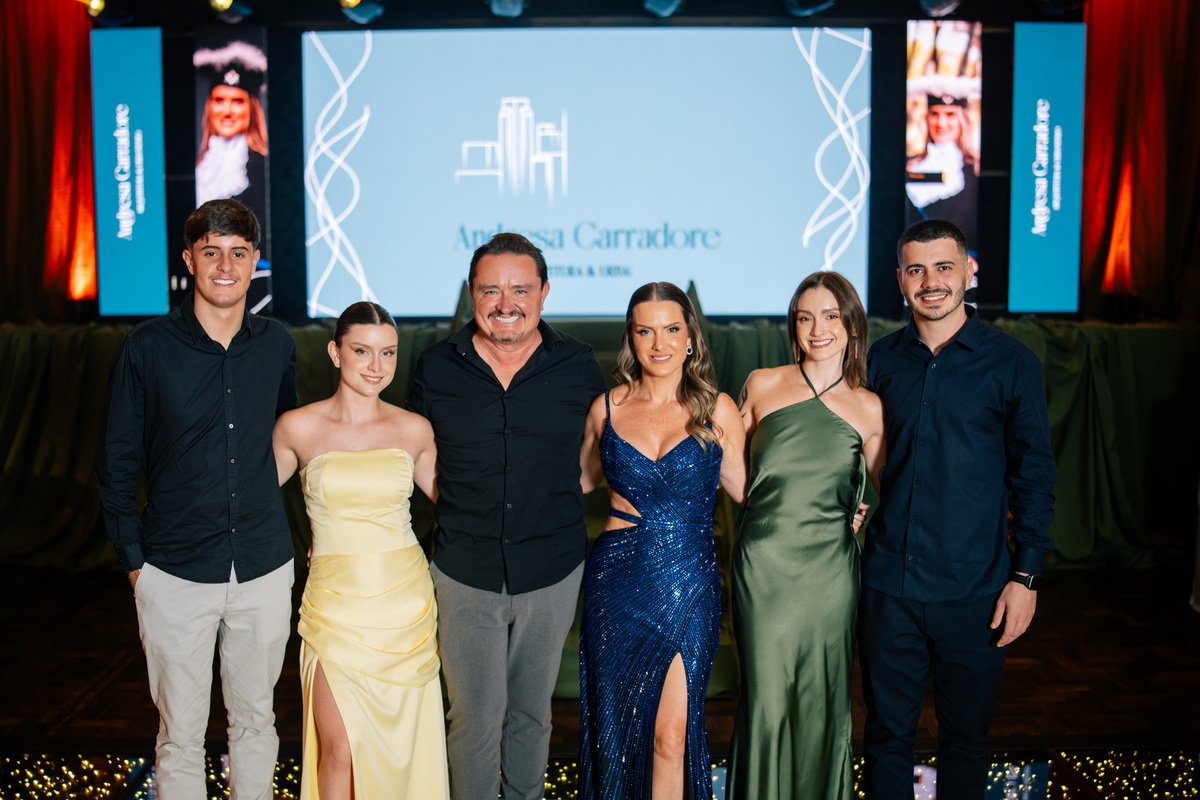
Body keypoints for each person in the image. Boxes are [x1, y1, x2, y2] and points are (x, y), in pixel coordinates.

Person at [93, 198, 296, 800]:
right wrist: (136, 563)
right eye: (212, 252)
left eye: (238, 253)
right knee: (179, 736)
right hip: (173, 570)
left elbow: (289, 443)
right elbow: (115, 461)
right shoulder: (146, 347)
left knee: (257, 722)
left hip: (263, 564)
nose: (225, 266)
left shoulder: (277, 344)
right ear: (189, 260)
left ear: (255, 260)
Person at [407, 232, 608, 800]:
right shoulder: (437, 366)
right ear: (472, 293)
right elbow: (414, 451)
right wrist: (460, 499)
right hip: (463, 567)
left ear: (544, 292)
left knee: (531, 712)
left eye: (520, 289)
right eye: (490, 290)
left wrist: (562, 490)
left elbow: (599, 449)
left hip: (552, 565)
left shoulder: (577, 364)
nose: (506, 303)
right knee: (472, 718)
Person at [860, 219, 1056, 799]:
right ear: (900, 280)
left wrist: (1026, 577)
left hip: (976, 592)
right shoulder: (878, 361)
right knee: (885, 739)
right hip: (889, 587)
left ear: (968, 272)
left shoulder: (1011, 363)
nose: (931, 282)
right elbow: (854, 457)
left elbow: (1035, 476)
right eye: (917, 270)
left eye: (944, 267)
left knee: (966, 742)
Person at [272, 302, 448, 800]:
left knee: (396, 748)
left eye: (388, 353)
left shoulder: (414, 429)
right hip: (334, 608)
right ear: (335, 353)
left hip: (405, 606)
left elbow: (462, 506)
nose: (376, 366)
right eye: (362, 351)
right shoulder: (297, 427)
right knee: (339, 748)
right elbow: (248, 504)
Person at [577, 282, 746, 799]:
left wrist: (835, 507)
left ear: (691, 336)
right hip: (616, 584)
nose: (659, 343)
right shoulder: (605, 408)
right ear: (631, 338)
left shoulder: (718, 410)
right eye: (645, 331)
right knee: (617, 736)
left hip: (687, 585)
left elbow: (751, 493)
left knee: (671, 737)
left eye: (672, 329)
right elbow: (574, 485)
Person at [727, 271, 885, 800]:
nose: (818, 329)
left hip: (829, 573)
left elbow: (881, 490)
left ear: (852, 324)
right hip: (764, 567)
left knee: (823, 699)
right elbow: (728, 468)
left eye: (831, 316)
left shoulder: (869, 407)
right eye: (805, 318)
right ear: (793, 326)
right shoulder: (762, 383)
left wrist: (861, 512)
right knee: (766, 699)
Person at [194, 41, 269, 217]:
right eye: (219, 100)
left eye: (237, 101)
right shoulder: (200, 163)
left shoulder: (260, 166)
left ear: (251, 108)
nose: (227, 111)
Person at [904, 93, 978, 246]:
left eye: (950, 114)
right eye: (935, 114)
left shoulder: (974, 169)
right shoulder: (909, 165)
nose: (941, 123)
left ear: (962, 118)